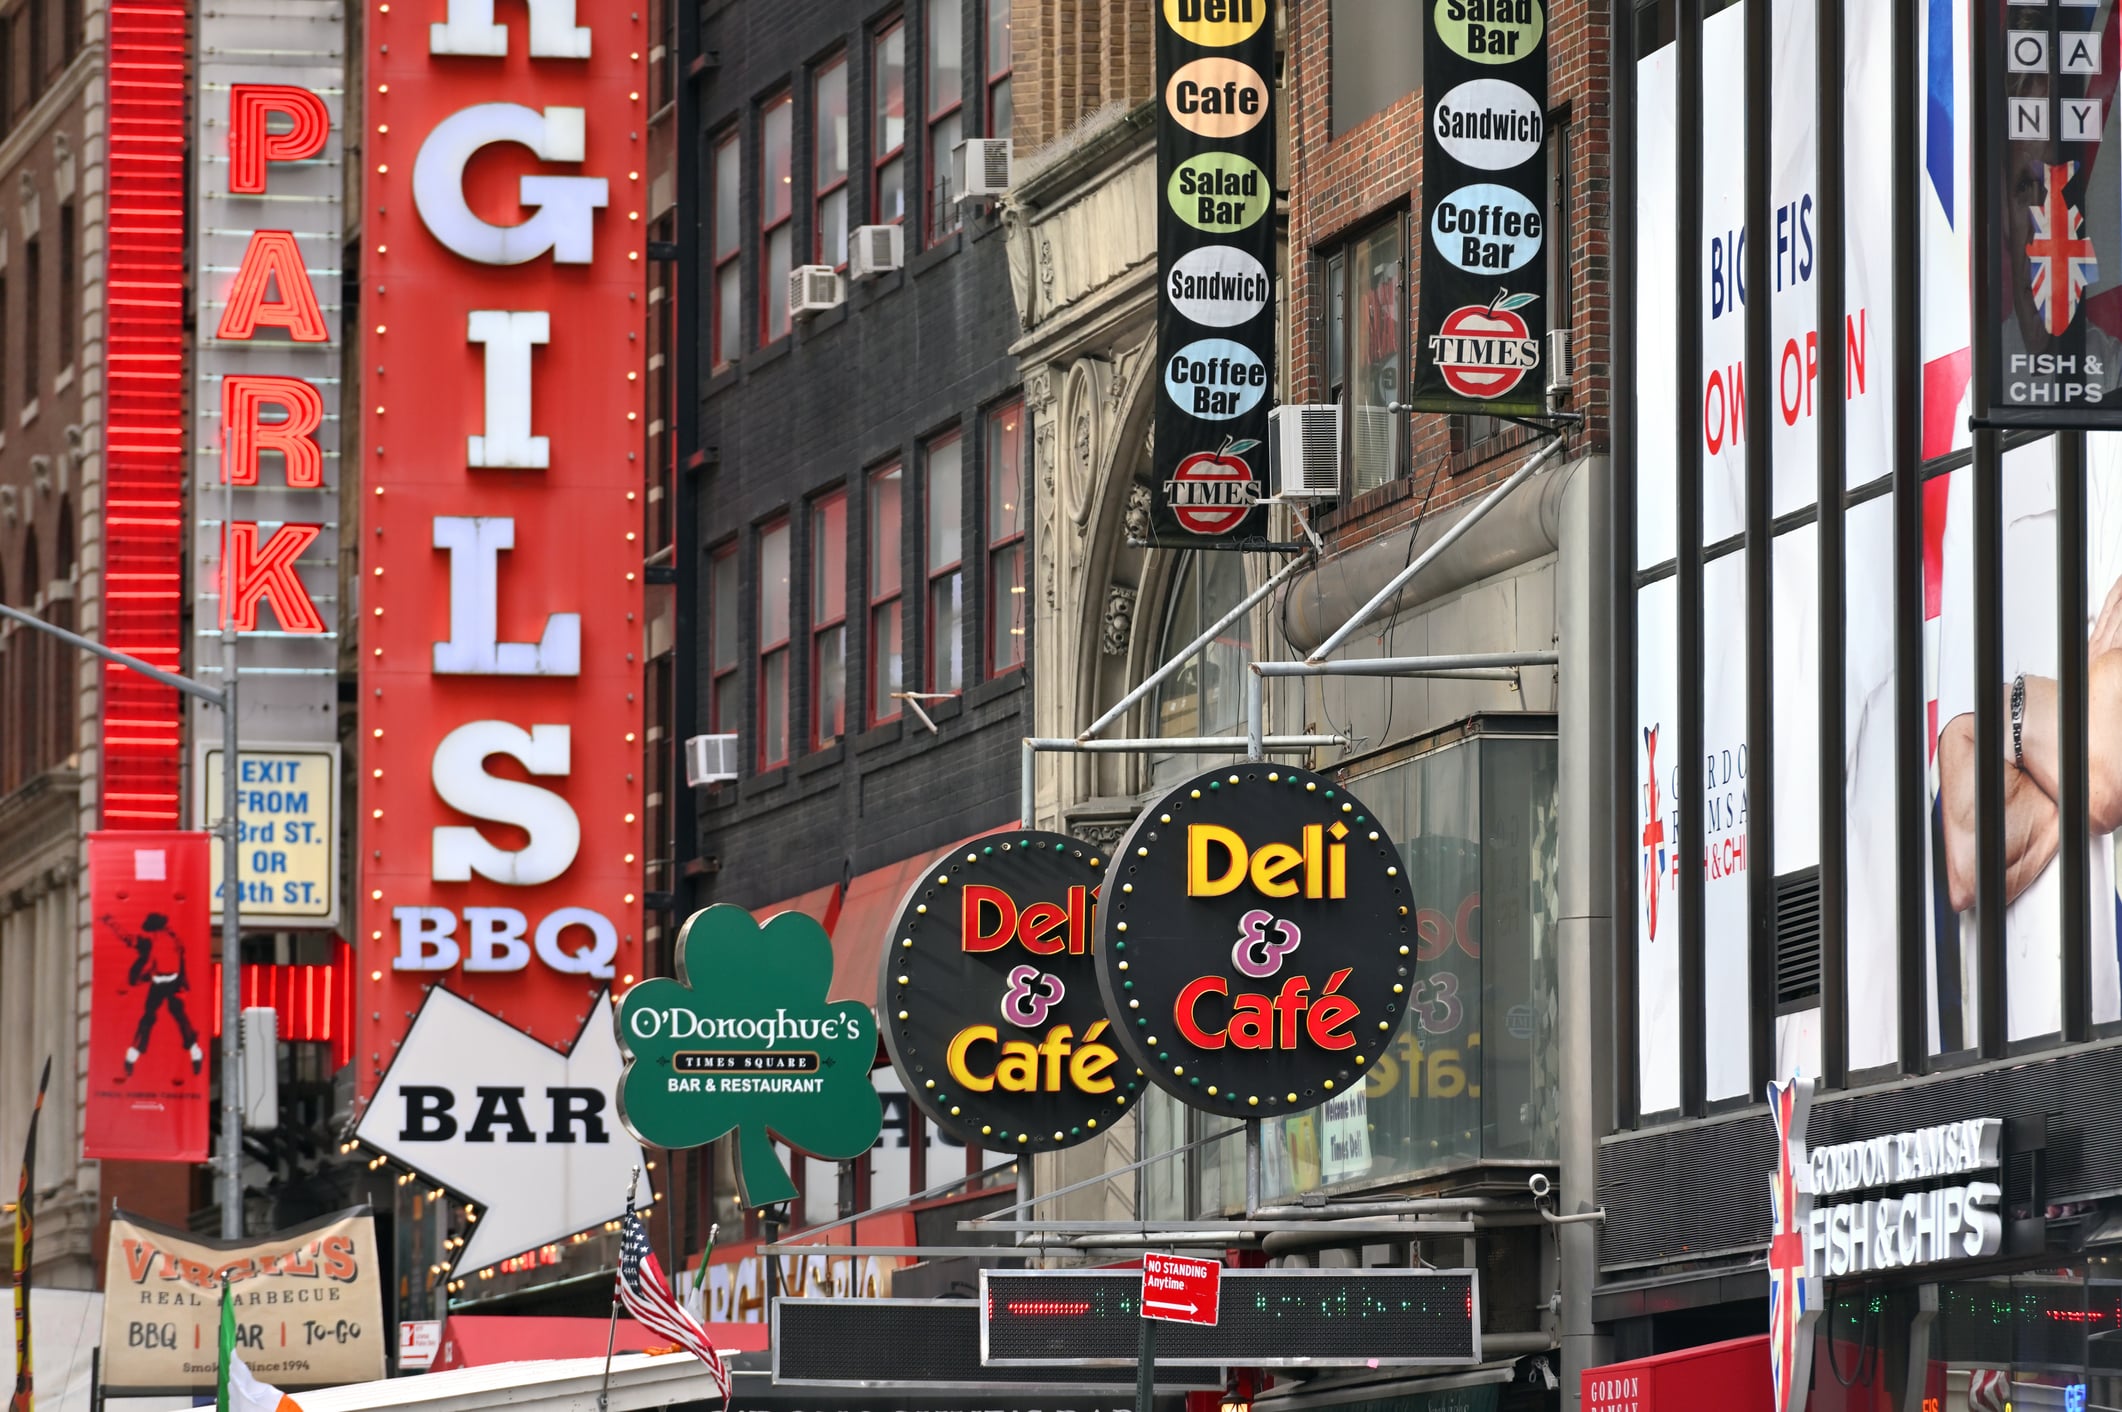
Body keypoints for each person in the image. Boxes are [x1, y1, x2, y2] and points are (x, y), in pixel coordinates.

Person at [1935, 437, 2122, 1041]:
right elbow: (1966, 860)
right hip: (2007, 1049)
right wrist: (2081, 697)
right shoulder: (1985, 432)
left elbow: (2106, 774)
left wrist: (2014, 718)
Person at [98, 909, 204, 1079]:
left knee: (159, 1018)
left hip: (166, 983)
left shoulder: (159, 940)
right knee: (170, 1017)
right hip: (167, 982)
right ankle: (194, 1052)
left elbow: (128, 939)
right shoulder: (172, 939)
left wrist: (111, 923)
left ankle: (133, 1055)